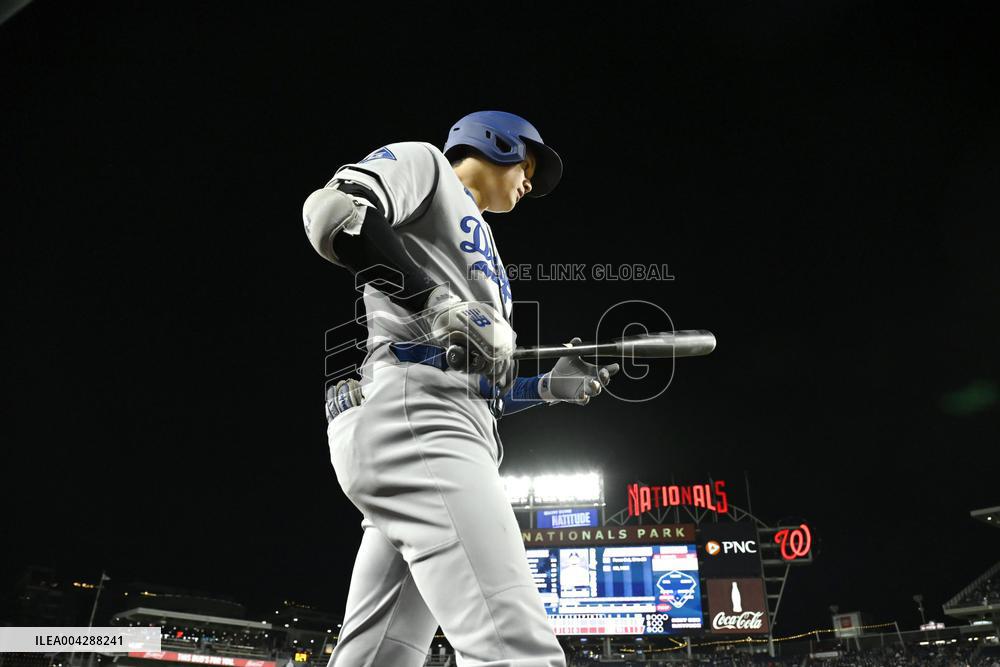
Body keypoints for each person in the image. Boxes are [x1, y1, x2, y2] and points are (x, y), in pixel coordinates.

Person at [302, 110, 619, 666]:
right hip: (420, 419)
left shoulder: (488, 251)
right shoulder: (427, 164)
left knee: (379, 657)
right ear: (494, 142)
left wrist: (545, 386)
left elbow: (478, 384)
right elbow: (334, 216)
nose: (530, 181)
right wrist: (439, 305)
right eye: (529, 163)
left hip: (440, 422)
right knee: (517, 652)